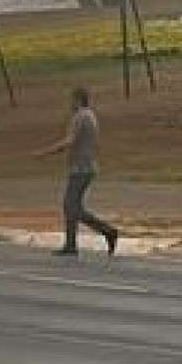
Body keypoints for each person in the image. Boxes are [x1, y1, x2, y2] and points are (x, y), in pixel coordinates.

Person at [38, 85, 120, 257]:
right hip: (85, 166)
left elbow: (70, 140)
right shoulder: (89, 115)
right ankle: (73, 243)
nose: (70, 103)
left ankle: (106, 231)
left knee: (71, 206)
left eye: (72, 100)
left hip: (81, 168)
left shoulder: (80, 116)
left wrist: (46, 152)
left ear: (78, 100)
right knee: (72, 207)